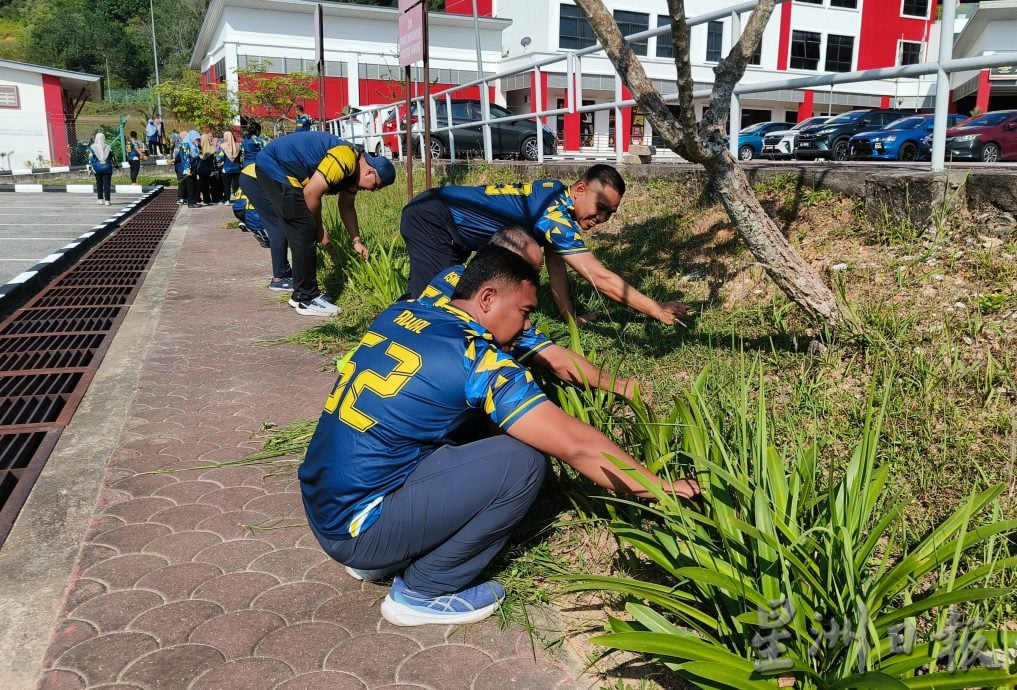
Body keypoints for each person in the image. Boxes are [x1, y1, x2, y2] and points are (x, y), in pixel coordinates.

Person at [299, 245, 700, 627]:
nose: (527, 326)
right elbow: (576, 445)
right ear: (488, 298)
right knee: (522, 462)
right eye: (525, 312)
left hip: (328, 506)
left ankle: (383, 555)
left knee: (468, 430)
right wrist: (657, 487)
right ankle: (424, 591)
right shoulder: (478, 357)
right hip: (360, 527)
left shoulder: (404, 314)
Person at [400, 164, 688, 326]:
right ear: (580, 190)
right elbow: (599, 278)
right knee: (431, 305)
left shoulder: (554, 194)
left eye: (609, 213)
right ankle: (390, 338)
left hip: (446, 220)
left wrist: (571, 318)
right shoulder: (554, 216)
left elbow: (556, 268)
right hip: (433, 218)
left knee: (450, 296)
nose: (602, 218)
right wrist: (656, 309)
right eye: (600, 207)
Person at [420, 227, 638, 399]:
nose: (533, 281)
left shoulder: (450, 275)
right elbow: (559, 361)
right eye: (528, 272)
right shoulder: (500, 310)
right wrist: (620, 386)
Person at [239, 131, 396, 316]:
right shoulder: (345, 158)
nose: (372, 191)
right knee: (304, 228)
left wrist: (356, 241)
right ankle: (307, 299)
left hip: (280, 167)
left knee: (302, 228)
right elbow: (311, 194)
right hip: (275, 166)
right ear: (370, 172)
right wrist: (320, 232)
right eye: (376, 186)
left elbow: (346, 206)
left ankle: (300, 295)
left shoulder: (354, 172)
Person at [240, 163, 292, 291]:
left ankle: (284, 271)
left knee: (280, 223)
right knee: (278, 225)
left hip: (254, 174)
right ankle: (279, 278)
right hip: (256, 177)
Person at [232, 187, 272, 251]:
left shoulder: (243, 184)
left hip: (236, 208)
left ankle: (243, 221)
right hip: (245, 209)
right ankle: (266, 239)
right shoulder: (256, 183)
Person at [87, 132, 115, 206]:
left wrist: (89, 169)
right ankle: (107, 201)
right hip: (107, 168)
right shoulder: (108, 147)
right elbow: (112, 158)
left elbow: (90, 158)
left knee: (99, 183)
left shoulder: (92, 147)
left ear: (96, 138)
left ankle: (100, 199)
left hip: (97, 168)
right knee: (107, 184)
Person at [216, 129, 243, 201]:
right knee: (237, 185)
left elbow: (221, 157)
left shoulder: (223, 146)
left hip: (227, 168)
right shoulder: (238, 146)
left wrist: (218, 160)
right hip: (237, 168)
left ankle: (227, 200)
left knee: (227, 185)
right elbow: (241, 157)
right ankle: (238, 199)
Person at [195, 132, 217, 205]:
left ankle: (204, 199)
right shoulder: (212, 149)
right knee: (210, 185)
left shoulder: (199, 149)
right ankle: (211, 199)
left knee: (203, 186)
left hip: (201, 170)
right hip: (209, 169)